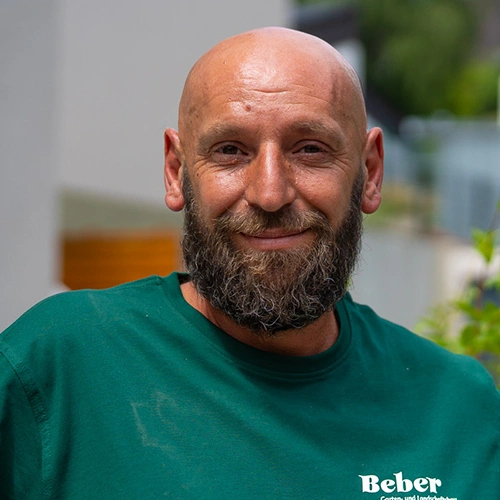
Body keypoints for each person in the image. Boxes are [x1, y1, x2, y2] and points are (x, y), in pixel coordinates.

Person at [0, 27, 498, 499]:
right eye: (230, 151)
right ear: (176, 172)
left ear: (369, 173)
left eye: (310, 149)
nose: (270, 193)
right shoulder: (53, 369)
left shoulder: (461, 410)